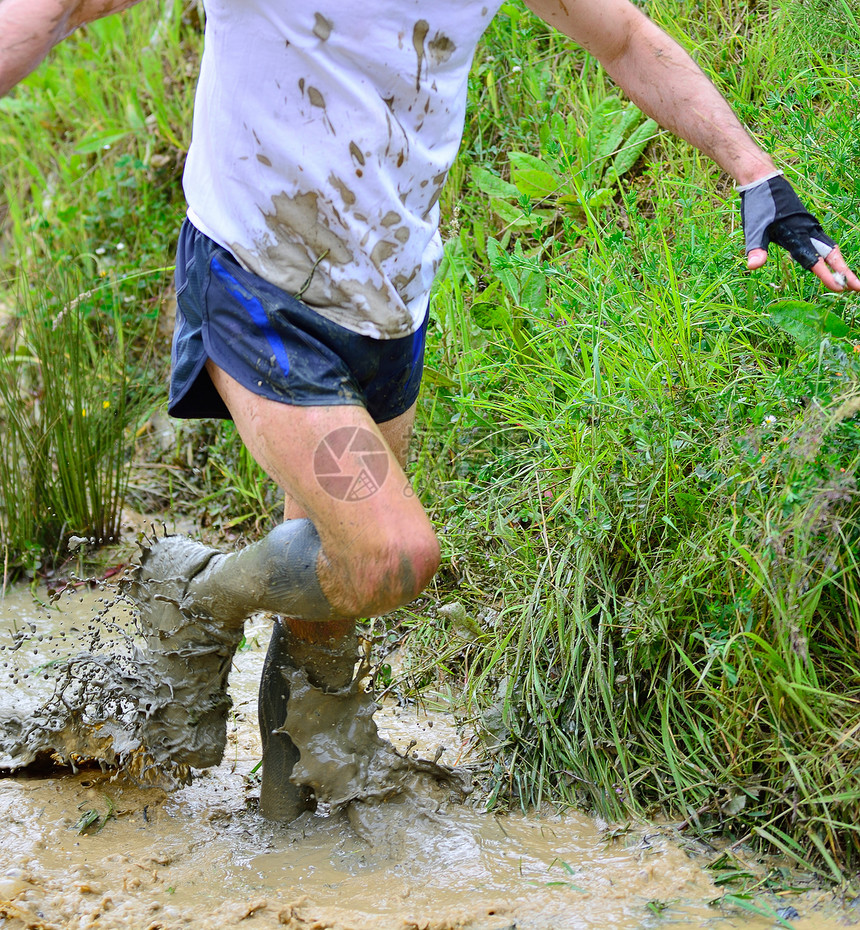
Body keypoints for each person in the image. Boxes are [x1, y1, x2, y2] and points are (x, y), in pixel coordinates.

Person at [2, 0, 858, 821]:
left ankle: (291, 823)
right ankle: (198, 592)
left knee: (325, 612)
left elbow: (625, 37)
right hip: (256, 276)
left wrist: (754, 169)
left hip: (390, 300)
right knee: (389, 556)